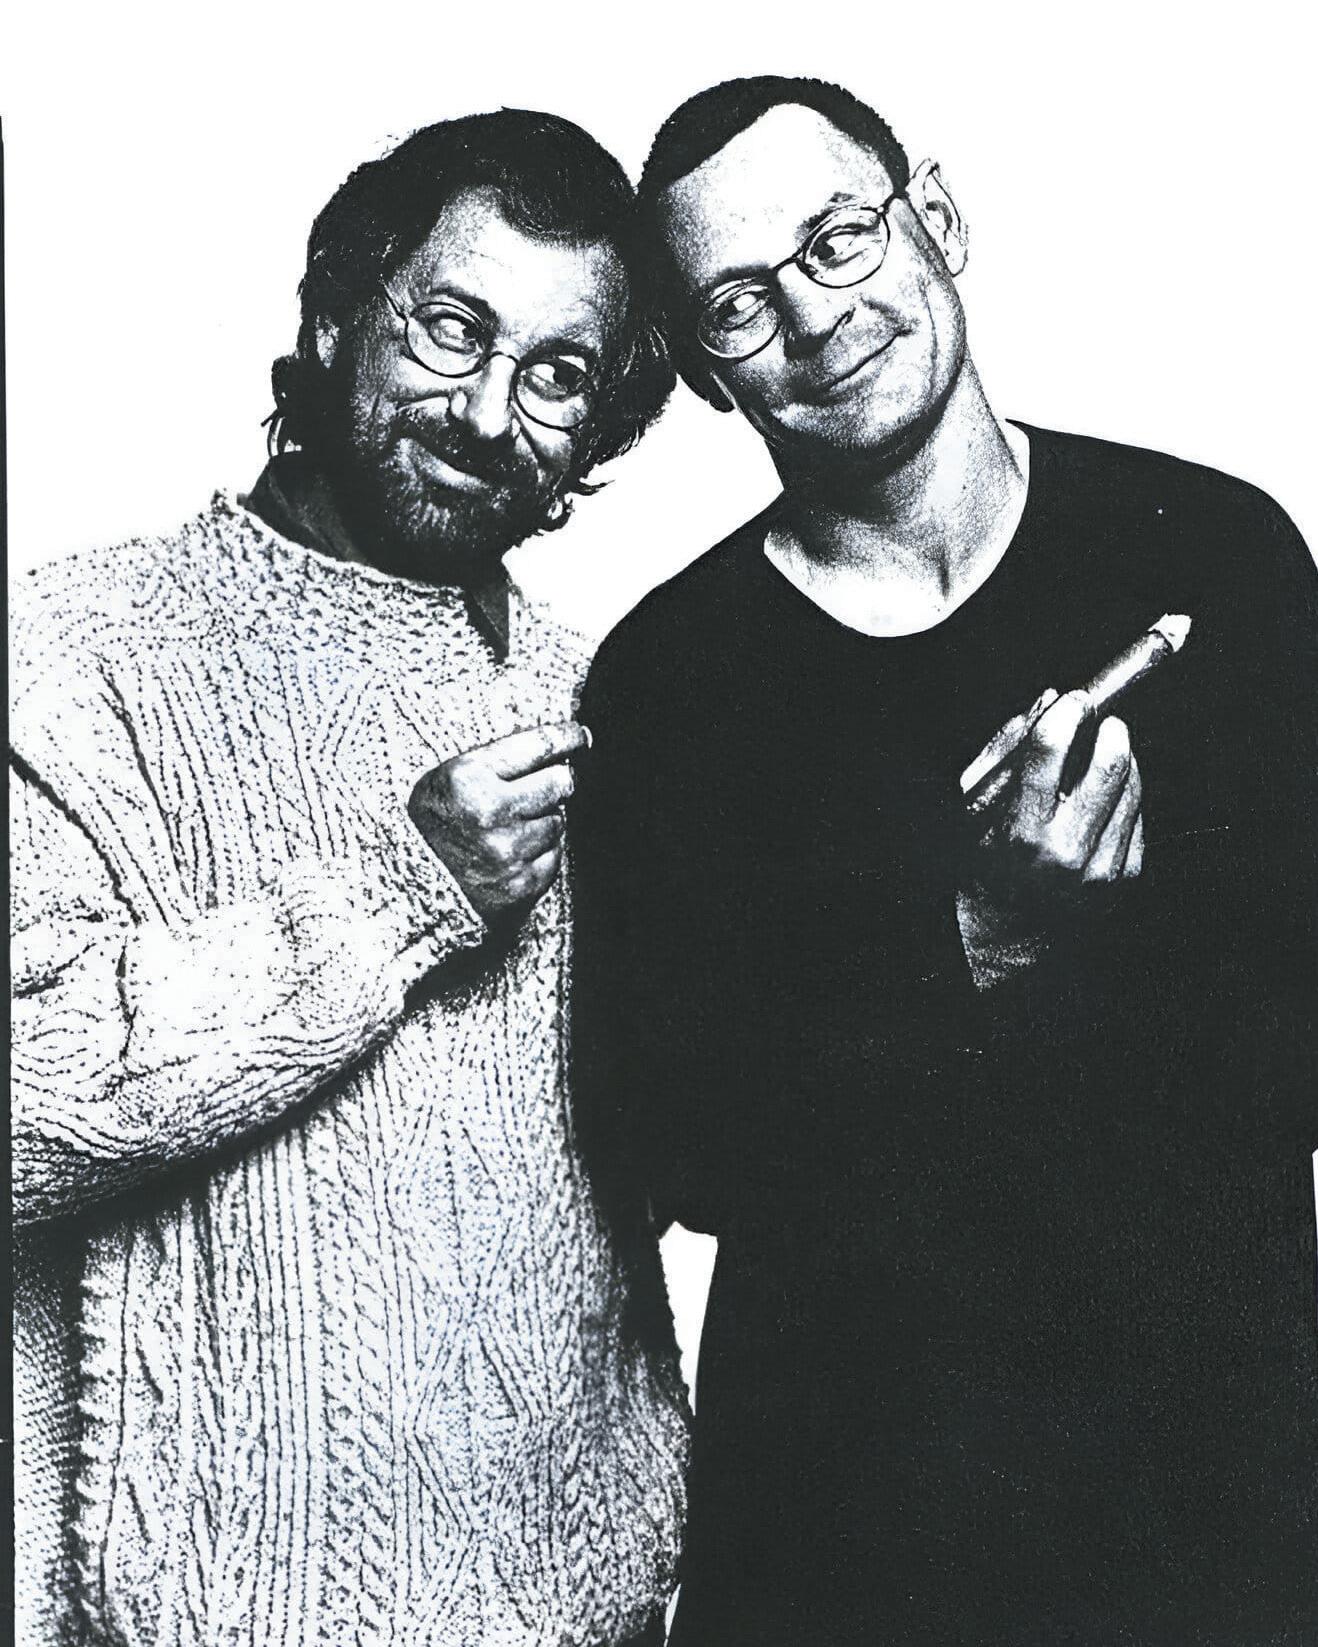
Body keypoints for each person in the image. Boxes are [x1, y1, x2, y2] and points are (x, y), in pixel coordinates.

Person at [571, 75, 1317, 1645]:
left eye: (836, 239)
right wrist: (972, 937)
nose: (813, 315)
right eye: (736, 304)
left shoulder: (1212, 550)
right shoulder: (667, 683)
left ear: (937, 220)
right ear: (703, 374)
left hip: (1216, 1514)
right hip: (848, 1545)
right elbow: (679, 1151)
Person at [10, 109, 689, 1647]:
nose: (487, 409)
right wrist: (398, 893)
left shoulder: (617, 703)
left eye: (557, 374)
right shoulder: (72, 661)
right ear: (333, 316)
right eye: (452, 328)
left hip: (582, 1617)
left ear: (594, 439)